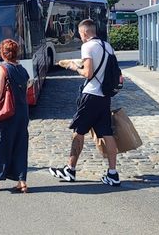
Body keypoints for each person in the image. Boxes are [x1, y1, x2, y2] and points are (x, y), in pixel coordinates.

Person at [49, 18, 120, 186]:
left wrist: (72, 66)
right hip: (104, 96)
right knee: (107, 134)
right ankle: (113, 173)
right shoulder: (107, 46)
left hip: (91, 95)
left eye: (80, 34)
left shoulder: (87, 46)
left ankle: (70, 170)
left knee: (78, 131)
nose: (80, 37)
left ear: (85, 32)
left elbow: (88, 73)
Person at [0, 39, 30, 193]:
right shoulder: (22, 69)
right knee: (20, 145)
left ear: (2, 53)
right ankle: (22, 182)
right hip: (22, 113)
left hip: (6, 113)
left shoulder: (2, 69)